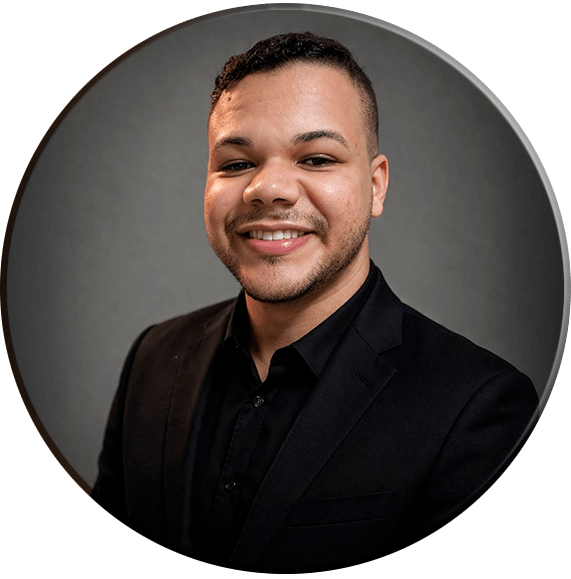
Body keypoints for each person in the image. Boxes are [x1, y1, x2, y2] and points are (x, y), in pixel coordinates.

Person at [91, 32, 539, 572]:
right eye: (235, 163)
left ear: (376, 186)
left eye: (318, 158)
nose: (268, 188)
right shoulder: (153, 358)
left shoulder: (478, 407)